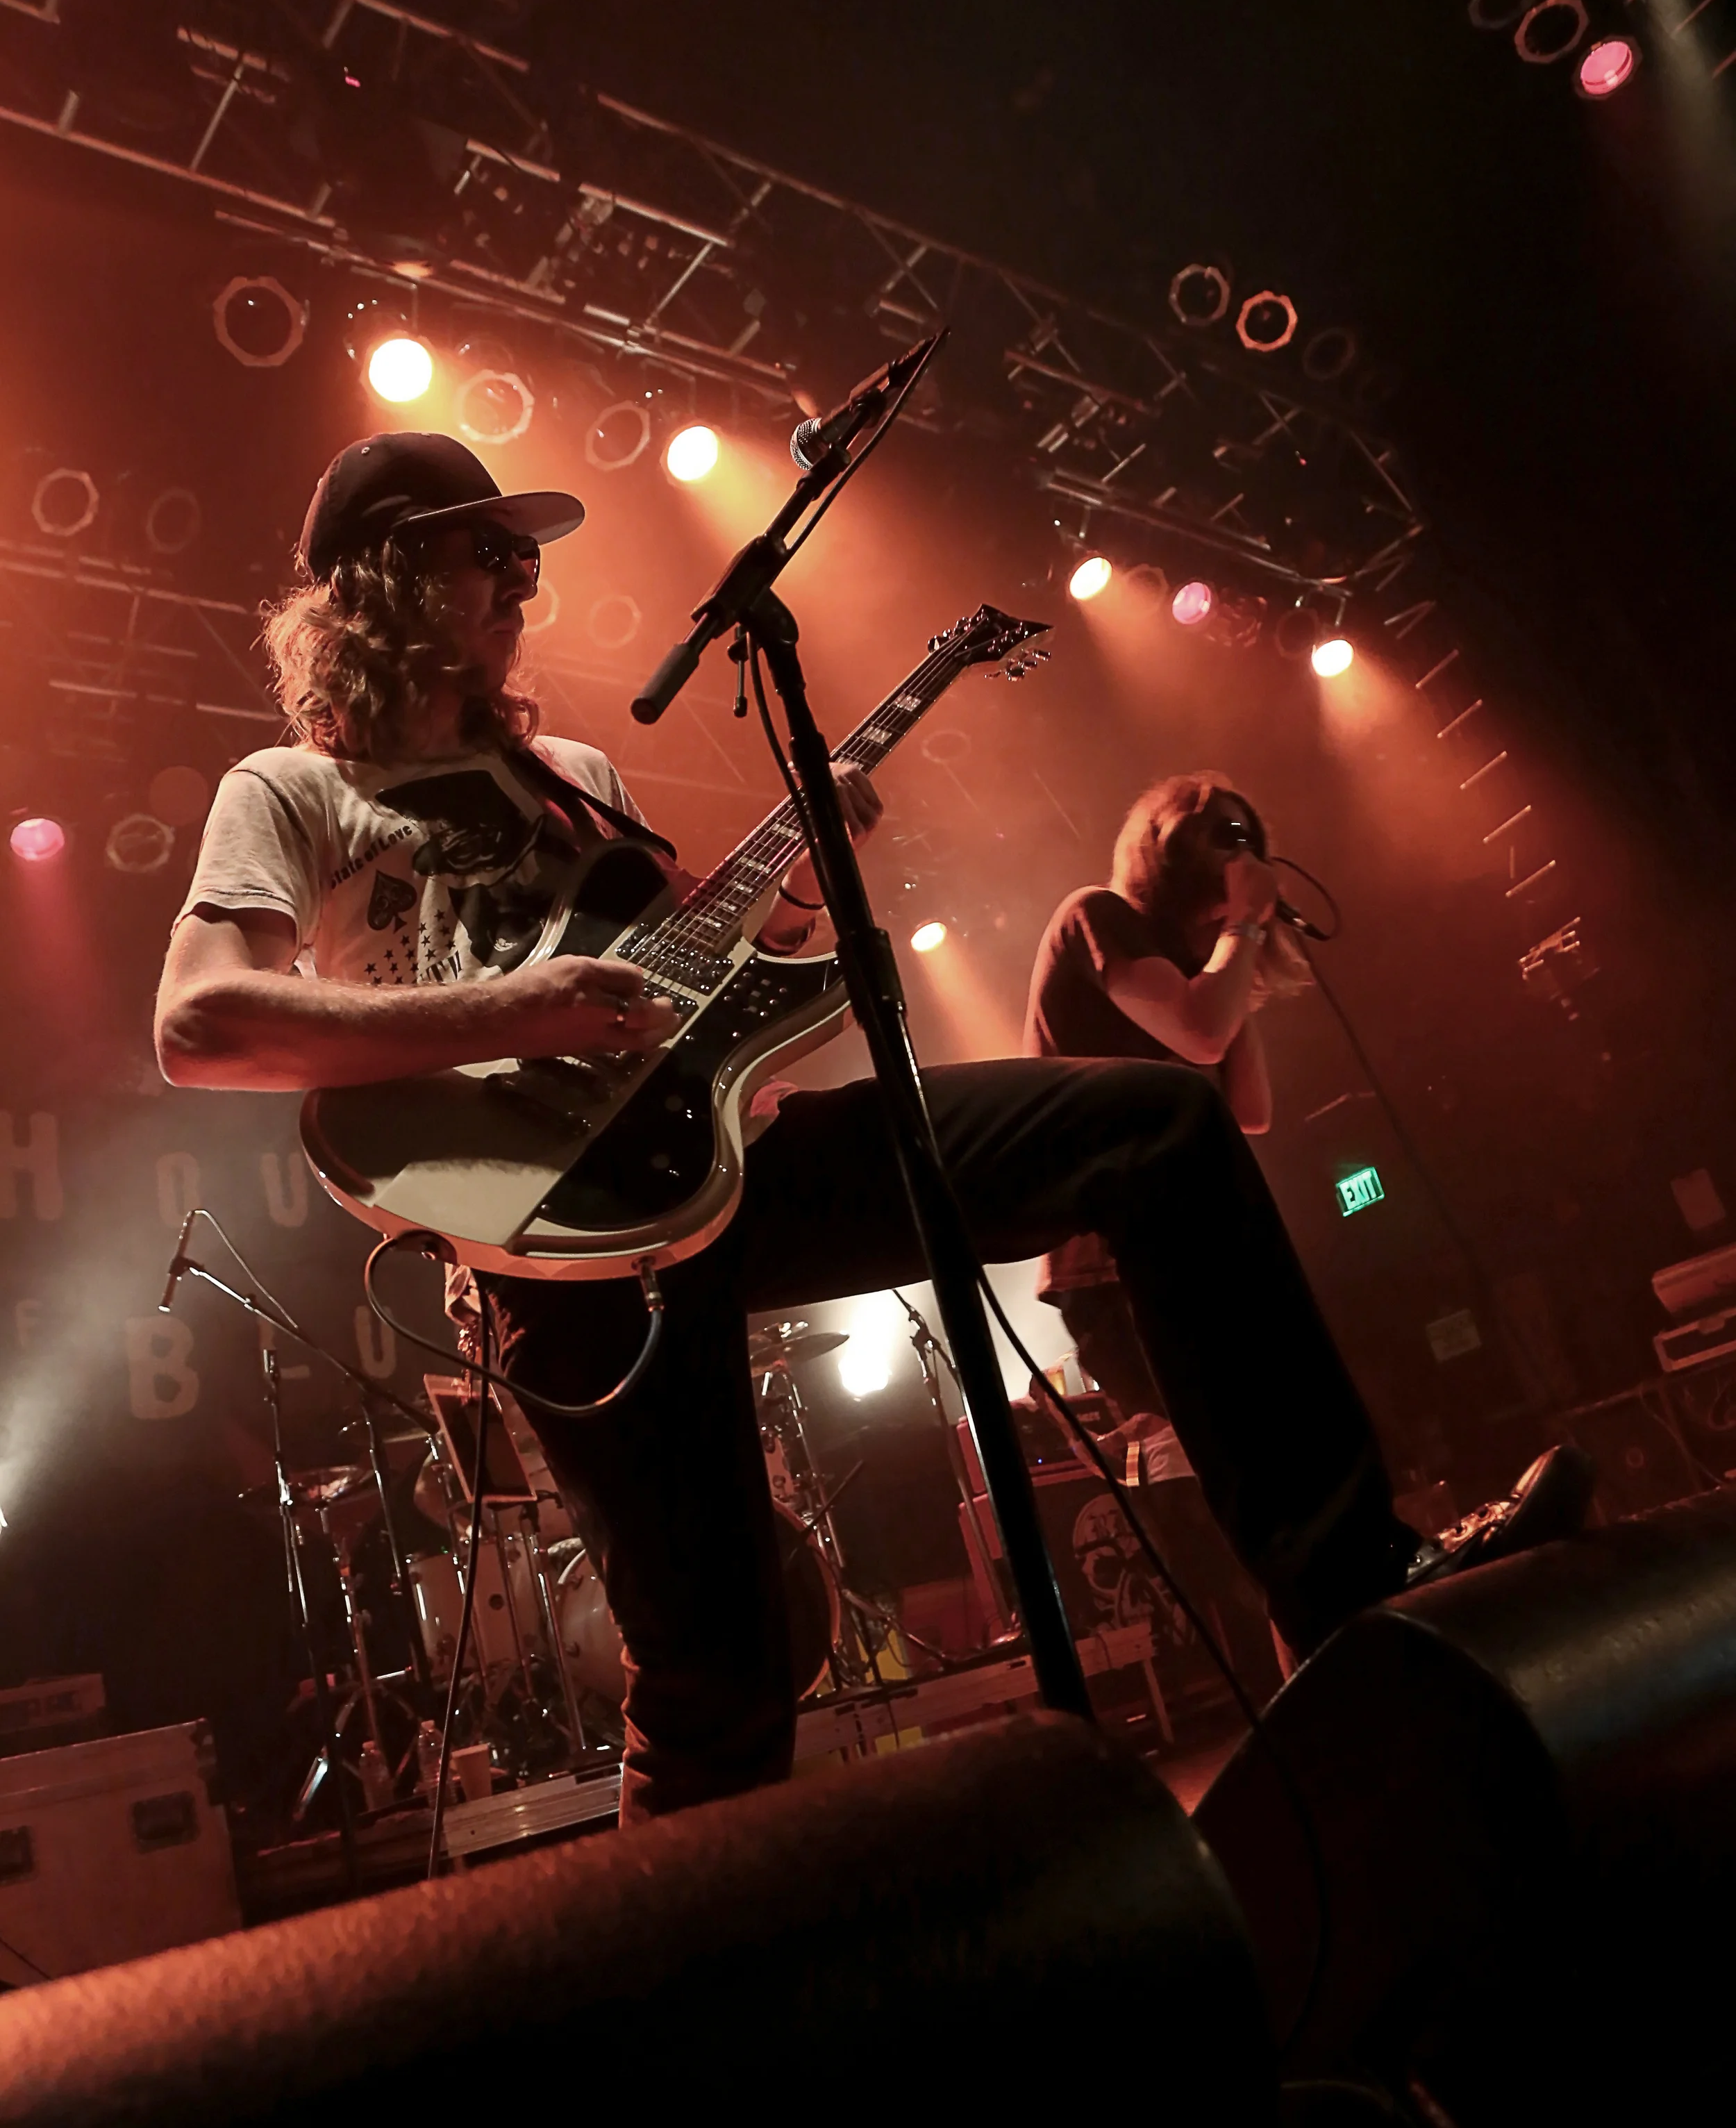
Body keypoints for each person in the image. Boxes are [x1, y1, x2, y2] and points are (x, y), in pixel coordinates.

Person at [155, 433, 1589, 1824]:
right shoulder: (291, 793)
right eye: (492, 553)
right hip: (553, 1244)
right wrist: (511, 1011)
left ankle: (1351, 1594)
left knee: (1153, 1124)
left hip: (727, 1159)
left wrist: (793, 884)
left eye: (524, 558)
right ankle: (677, 1973)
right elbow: (201, 1022)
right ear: (389, 577)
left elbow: (693, 981)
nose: (526, 584)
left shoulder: (574, 774)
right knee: (722, 1680)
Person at [1024, 772, 1306, 1436]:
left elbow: (1250, 1110)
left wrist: (1228, 954)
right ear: (1169, 846)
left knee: (1271, 1438)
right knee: (1210, 1447)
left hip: (1192, 1238)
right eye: (1225, 834)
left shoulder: (1193, 974)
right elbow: (1202, 1034)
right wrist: (1243, 925)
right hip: (1115, 1258)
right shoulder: (1095, 915)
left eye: (1250, 839)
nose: (1243, 853)